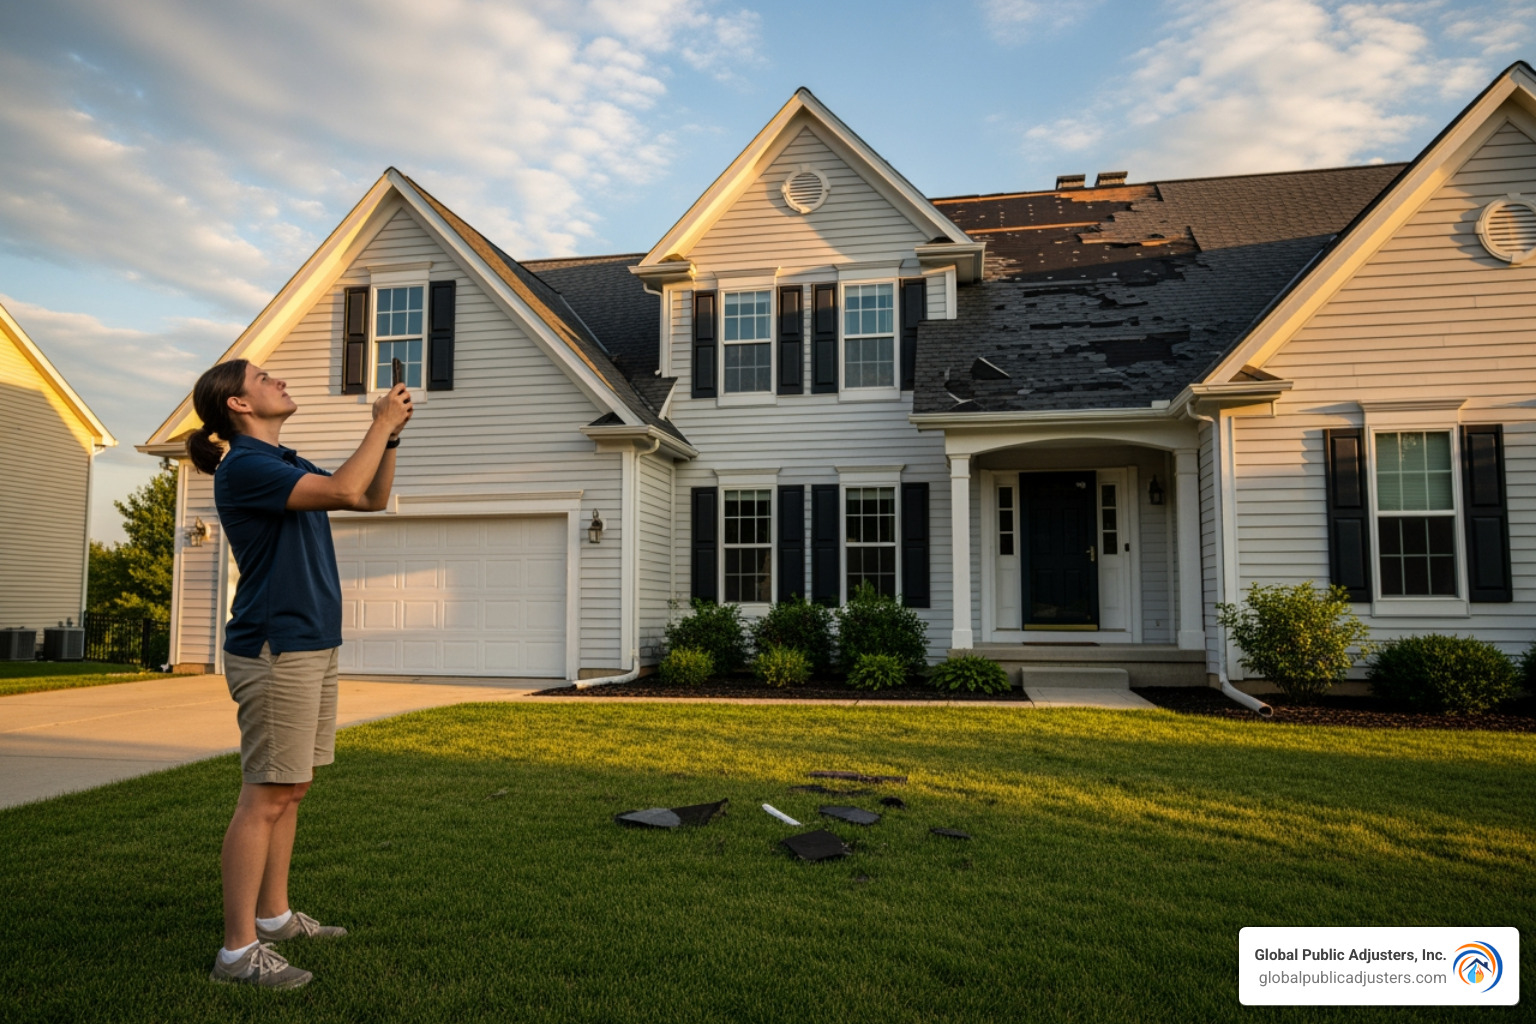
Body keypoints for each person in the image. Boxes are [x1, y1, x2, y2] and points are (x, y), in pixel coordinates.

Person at [185, 357, 412, 989]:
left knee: (291, 788)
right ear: (237, 404)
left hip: (309, 642)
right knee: (264, 795)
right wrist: (378, 423)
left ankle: (275, 916)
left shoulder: (283, 462)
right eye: (262, 378)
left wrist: (390, 437)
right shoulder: (245, 466)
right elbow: (341, 490)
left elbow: (367, 497)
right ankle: (237, 953)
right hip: (275, 647)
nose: (279, 379)